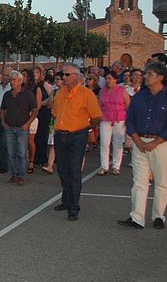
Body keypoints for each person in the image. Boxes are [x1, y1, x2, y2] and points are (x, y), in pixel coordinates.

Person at [118, 62, 167, 229]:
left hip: (161, 144)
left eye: (149, 74)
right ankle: (137, 217)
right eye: (145, 73)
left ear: (160, 77)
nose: (145, 77)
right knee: (139, 181)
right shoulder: (139, 97)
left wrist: (156, 142)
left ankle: (158, 216)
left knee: (161, 181)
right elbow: (130, 120)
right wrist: (137, 140)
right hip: (140, 142)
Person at [52, 64, 102, 221]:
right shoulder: (60, 93)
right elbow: (55, 113)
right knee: (62, 169)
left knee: (74, 170)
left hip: (77, 136)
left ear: (76, 76)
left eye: (67, 75)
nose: (64, 77)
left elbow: (97, 117)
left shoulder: (86, 94)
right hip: (61, 135)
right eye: (63, 74)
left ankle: (74, 206)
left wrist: (86, 128)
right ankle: (67, 199)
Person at [0, 71, 38, 186]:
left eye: (14, 80)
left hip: (22, 127)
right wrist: (3, 122)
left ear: (20, 81)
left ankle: (21, 175)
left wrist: (28, 124)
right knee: (11, 152)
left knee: (21, 153)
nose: (12, 82)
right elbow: (2, 109)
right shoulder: (7, 95)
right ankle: (14, 174)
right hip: (10, 127)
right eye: (11, 80)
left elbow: (35, 110)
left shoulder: (28, 95)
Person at [98, 71, 131, 176]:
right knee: (104, 142)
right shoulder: (102, 91)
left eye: (110, 78)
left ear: (115, 80)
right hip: (105, 119)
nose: (108, 81)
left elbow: (128, 105)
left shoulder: (122, 90)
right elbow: (99, 105)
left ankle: (116, 166)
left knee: (117, 143)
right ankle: (104, 166)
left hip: (119, 119)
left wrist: (129, 120)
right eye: (106, 79)